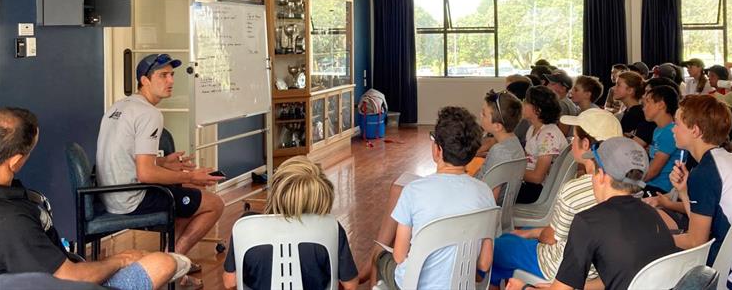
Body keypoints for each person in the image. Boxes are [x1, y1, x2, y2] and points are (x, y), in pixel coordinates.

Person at [0, 107, 177, 290]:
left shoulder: (14, 199)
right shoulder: (11, 220)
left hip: (62, 267)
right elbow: (67, 278)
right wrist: (120, 260)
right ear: (16, 162)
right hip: (70, 281)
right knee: (163, 263)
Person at [96, 54, 225, 283]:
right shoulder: (149, 114)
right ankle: (173, 266)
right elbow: (145, 174)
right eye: (163, 75)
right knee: (213, 204)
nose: (171, 81)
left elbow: (127, 159)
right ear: (144, 80)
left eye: (172, 75)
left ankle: (169, 259)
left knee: (186, 195)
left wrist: (164, 164)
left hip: (107, 195)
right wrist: (193, 176)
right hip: (131, 199)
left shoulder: (118, 106)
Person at [506, 137, 680, 290]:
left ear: (602, 176)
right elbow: (615, 276)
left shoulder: (588, 222)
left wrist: (524, 287)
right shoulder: (652, 214)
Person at [489, 109, 623, 287]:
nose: (572, 142)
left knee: (496, 247)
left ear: (585, 144)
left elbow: (550, 238)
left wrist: (530, 234)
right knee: (513, 241)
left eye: (574, 138)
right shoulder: (626, 188)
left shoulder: (575, 190)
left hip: (560, 268)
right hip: (600, 269)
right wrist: (531, 233)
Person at [375, 106, 495, 289]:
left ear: (437, 150)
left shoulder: (413, 191)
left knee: (379, 257)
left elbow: (399, 256)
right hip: (463, 284)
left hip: (414, 284)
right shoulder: (485, 192)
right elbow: (484, 264)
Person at [669, 95, 732, 290]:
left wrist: (653, 238)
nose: (673, 129)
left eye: (677, 123)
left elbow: (696, 241)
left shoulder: (706, 173)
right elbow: (702, 226)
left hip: (731, 276)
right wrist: (683, 192)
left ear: (695, 130)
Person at [222, 156, 358, 290]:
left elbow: (230, 282)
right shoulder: (331, 228)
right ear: (323, 196)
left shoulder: (247, 226)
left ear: (276, 191)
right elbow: (350, 285)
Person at [517, 86, 567, 204]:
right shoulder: (533, 129)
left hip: (541, 190)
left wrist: (512, 173)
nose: (522, 104)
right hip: (530, 183)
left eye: (526, 101)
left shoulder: (548, 135)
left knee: (497, 192)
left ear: (537, 109)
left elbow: (537, 177)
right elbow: (527, 158)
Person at [475, 90, 525, 203]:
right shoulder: (514, 143)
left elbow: (490, 198)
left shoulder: (499, 151)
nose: (480, 115)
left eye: (484, 114)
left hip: (480, 206)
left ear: (497, 126)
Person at [641, 85, 681, 196]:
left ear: (661, 105)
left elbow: (654, 170)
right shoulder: (658, 130)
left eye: (648, 102)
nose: (644, 107)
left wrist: (632, 184)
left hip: (661, 189)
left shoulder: (670, 132)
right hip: (651, 184)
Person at [614, 71, 657, 149]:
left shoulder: (635, 114)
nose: (614, 88)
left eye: (618, 85)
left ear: (630, 90)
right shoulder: (629, 110)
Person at [542, 70, 578, 135]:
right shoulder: (567, 102)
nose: (548, 86)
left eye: (552, 84)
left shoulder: (562, 104)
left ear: (563, 88)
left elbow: (562, 132)